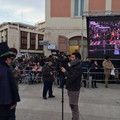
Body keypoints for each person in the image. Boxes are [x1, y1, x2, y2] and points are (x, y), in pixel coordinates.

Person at [0, 42, 20, 120]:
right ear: (5, 58)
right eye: (10, 58)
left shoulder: (5, 68)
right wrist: (13, 101)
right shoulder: (5, 70)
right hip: (5, 105)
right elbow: (6, 88)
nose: (11, 61)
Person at [61, 52, 82, 120]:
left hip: (74, 88)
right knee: (72, 105)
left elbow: (72, 77)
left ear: (77, 58)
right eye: (71, 57)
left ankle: (75, 118)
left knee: (74, 105)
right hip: (71, 88)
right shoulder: (73, 65)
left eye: (73, 57)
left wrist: (65, 71)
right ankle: (74, 117)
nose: (71, 59)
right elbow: (69, 71)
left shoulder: (78, 67)